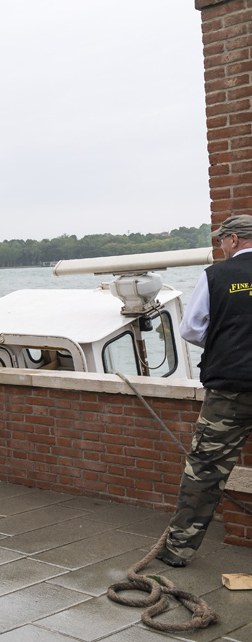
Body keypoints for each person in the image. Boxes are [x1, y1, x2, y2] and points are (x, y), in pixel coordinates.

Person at [159, 214, 252, 567]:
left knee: (204, 472)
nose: (221, 246)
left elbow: (192, 329)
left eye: (220, 241)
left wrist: (223, 345)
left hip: (229, 391)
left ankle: (178, 550)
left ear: (232, 240)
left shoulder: (216, 275)